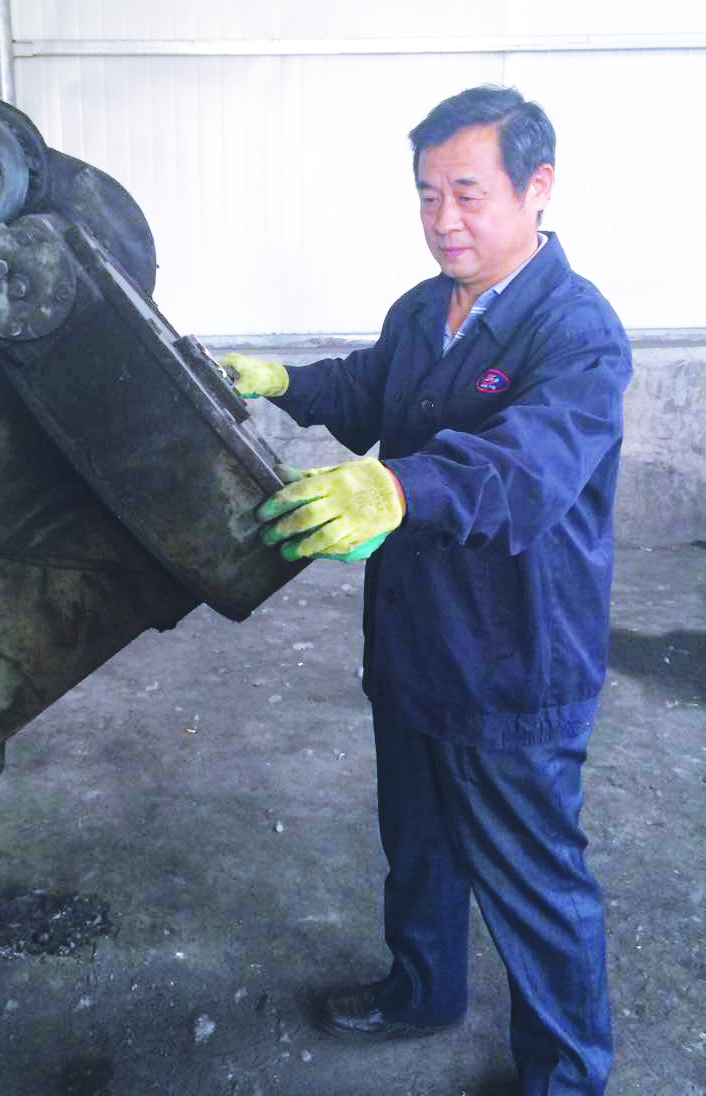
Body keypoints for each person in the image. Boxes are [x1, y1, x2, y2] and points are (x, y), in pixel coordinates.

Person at [219, 84, 632, 1096]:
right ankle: (423, 990)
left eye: (467, 193)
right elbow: (369, 389)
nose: (444, 219)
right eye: (426, 194)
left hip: (514, 657)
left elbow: (527, 465)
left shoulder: (578, 330)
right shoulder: (421, 309)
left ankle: (567, 1075)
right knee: (420, 845)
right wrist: (283, 382)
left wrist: (400, 487)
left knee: (536, 881)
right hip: (414, 641)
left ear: (537, 187)